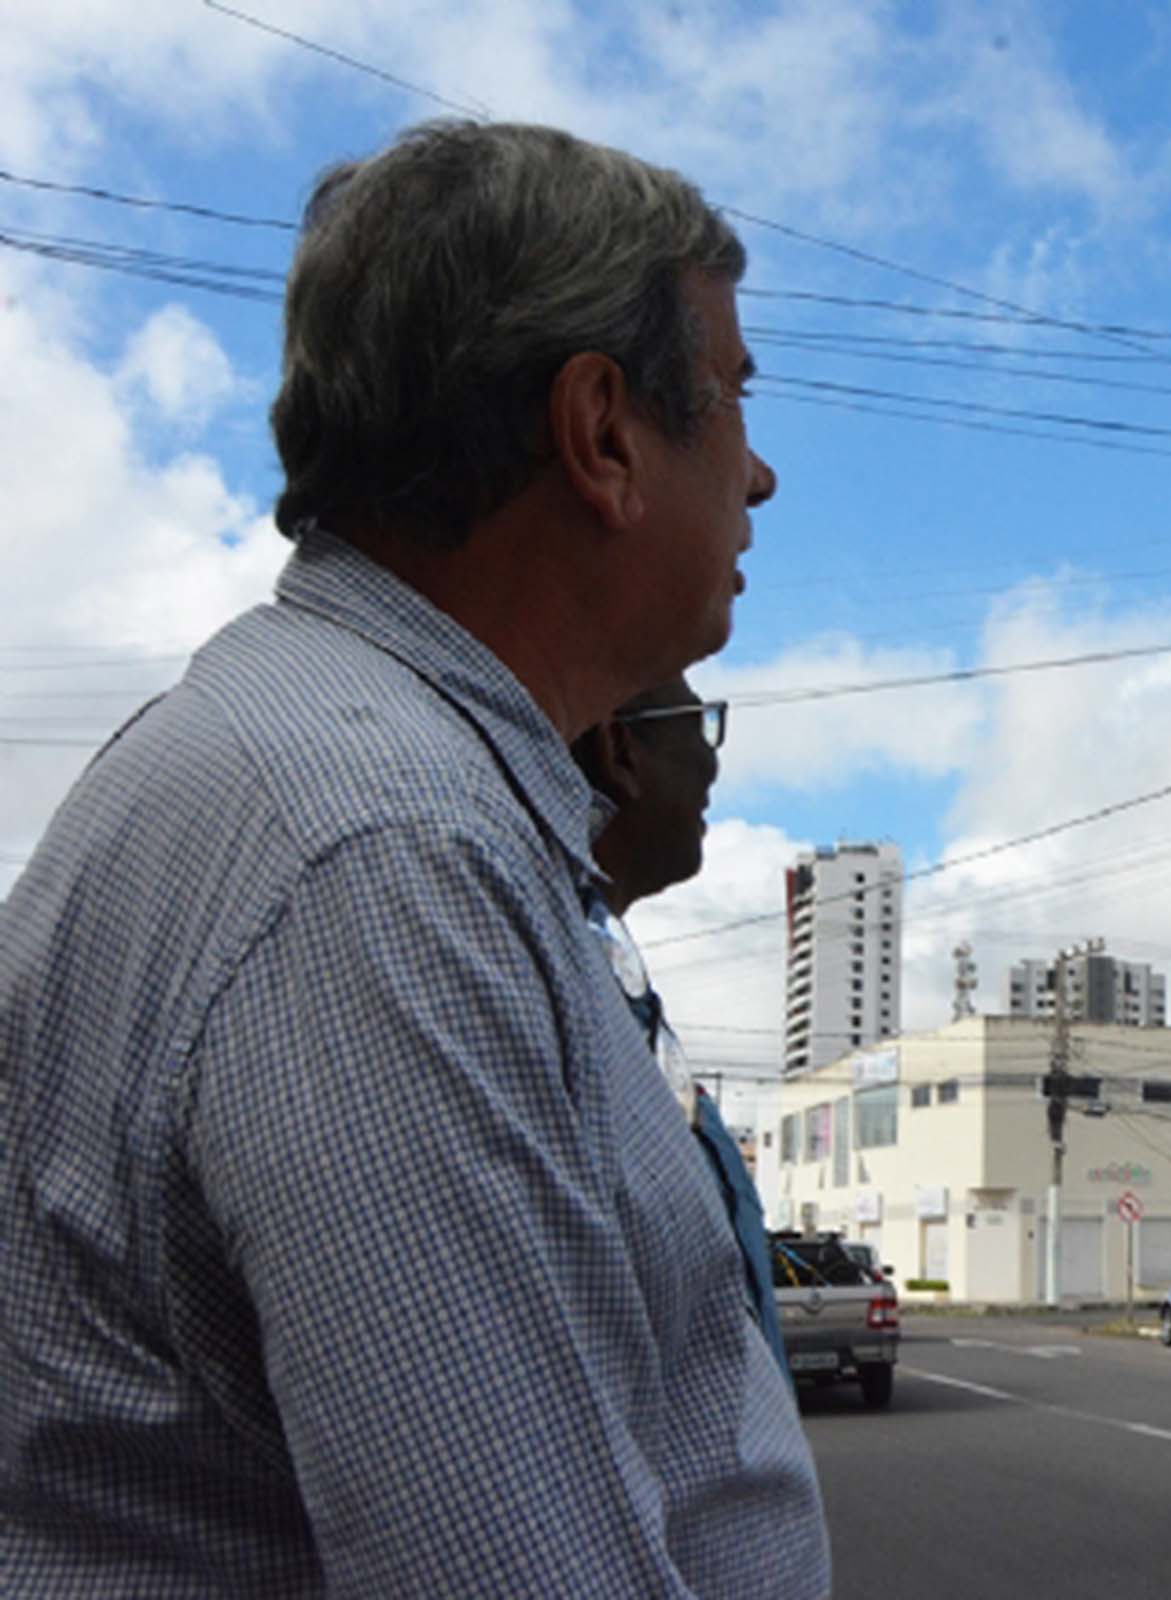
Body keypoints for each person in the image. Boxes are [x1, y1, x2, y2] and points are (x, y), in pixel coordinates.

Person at [0, 122, 826, 1597]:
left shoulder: (322, 763)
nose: (759, 475)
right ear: (604, 435)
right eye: (735, 400)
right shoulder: (382, 859)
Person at [572, 676, 785, 1371]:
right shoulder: (557, 978)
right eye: (699, 726)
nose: (714, 762)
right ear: (619, 749)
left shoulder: (605, 971)